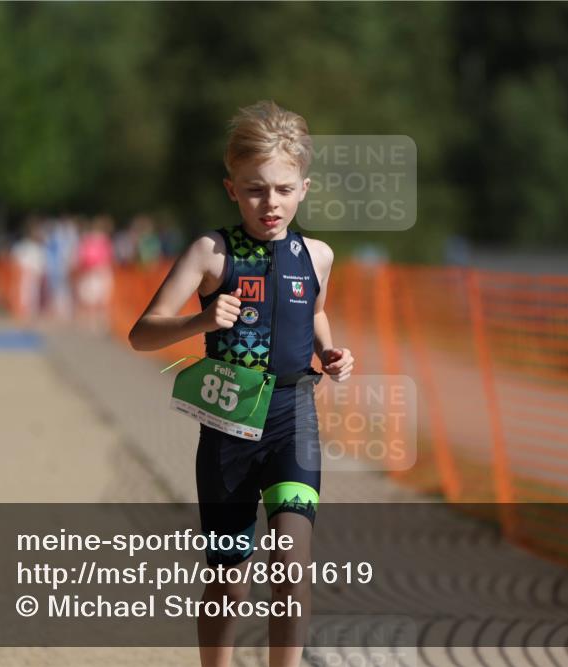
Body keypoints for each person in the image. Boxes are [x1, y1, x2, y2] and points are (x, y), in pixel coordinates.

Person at [128, 100, 353, 667]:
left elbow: (315, 313)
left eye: (282, 188)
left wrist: (330, 351)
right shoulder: (212, 252)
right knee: (230, 583)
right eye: (254, 189)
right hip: (230, 426)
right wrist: (201, 321)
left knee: (291, 572)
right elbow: (142, 335)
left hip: (294, 419)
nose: (269, 203)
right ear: (232, 189)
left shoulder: (317, 255)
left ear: (304, 187)